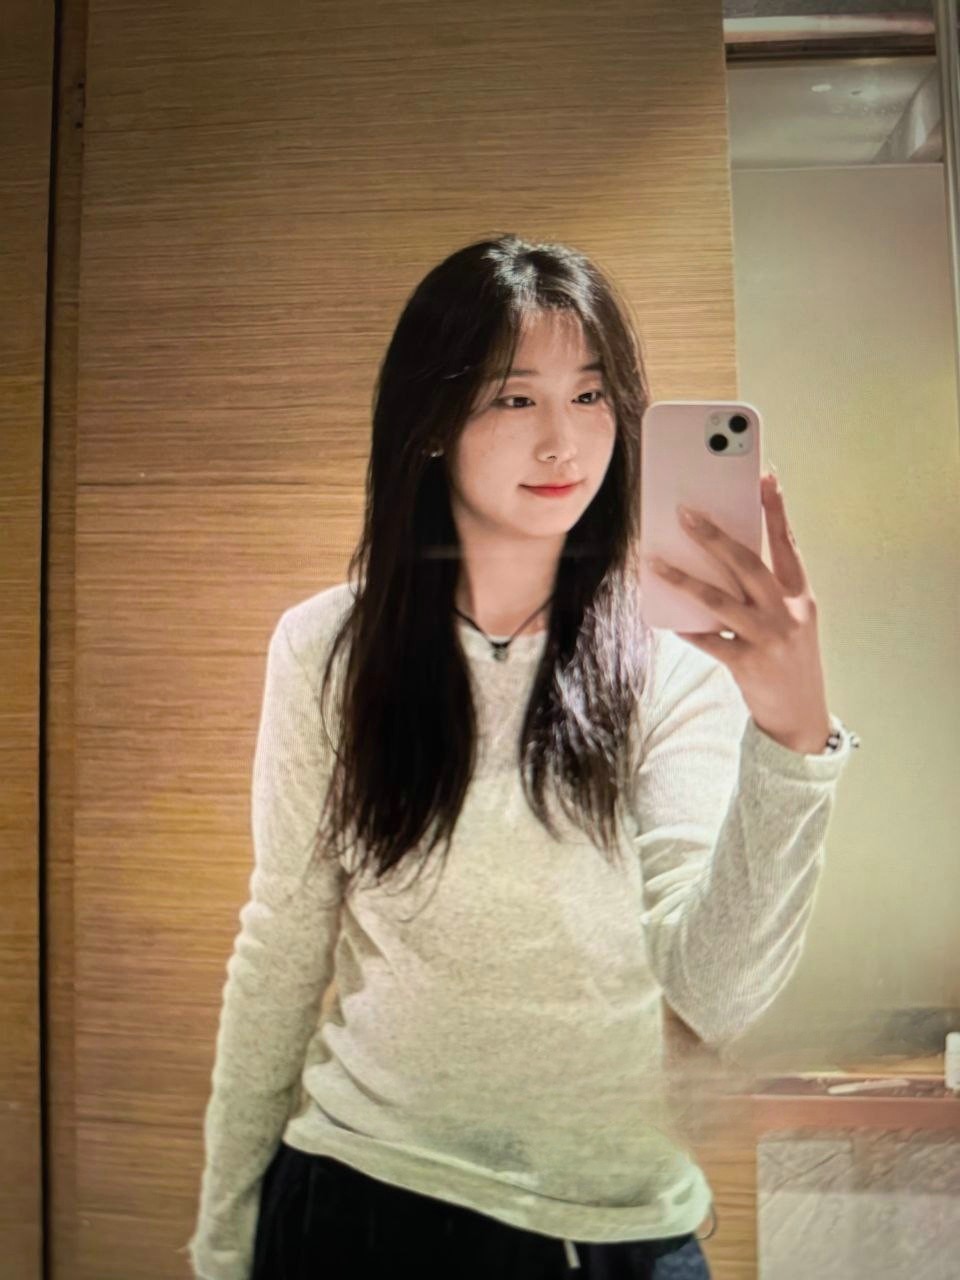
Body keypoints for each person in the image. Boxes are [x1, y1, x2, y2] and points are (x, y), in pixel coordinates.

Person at [186, 234, 858, 1280]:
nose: (564, 442)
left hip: (618, 1231)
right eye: (514, 398)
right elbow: (283, 943)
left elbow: (711, 990)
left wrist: (794, 739)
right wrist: (224, 1241)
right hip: (365, 1205)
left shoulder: (671, 662)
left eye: (590, 396)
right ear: (430, 422)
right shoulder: (327, 648)